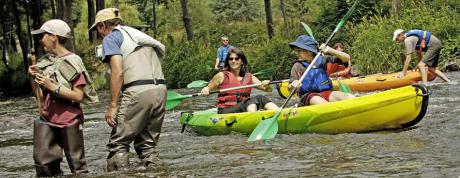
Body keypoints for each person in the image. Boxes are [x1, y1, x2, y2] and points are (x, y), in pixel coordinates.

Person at [89, 8, 166, 171]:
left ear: (103, 25)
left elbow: (117, 71)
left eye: (97, 29)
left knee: (118, 144)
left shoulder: (111, 38)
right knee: (147, 147)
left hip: (137, 91)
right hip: (160, 90)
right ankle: (159, 173)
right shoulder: (139, 36)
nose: (98, 33)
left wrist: (113, 105)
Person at [29, 19, 99, 177]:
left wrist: (53, 86)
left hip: (69, 120)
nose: (41, 40)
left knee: (78, 168)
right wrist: (34, 79)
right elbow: (40, 98)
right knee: (43, 167)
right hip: (46, 119)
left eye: (44, 36)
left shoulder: (73, 61)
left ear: (54, 37)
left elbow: (79, 96)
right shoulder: (45, 63)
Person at [201, 48, 279, 114]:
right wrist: (206, 89)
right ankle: (254, 118)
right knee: (248, 101)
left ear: (242, 61)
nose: (233, 61)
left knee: (261, 97)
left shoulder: (249, 76)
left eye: (236, 58)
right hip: (226, 111)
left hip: (243, 109)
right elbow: (208, 88)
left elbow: (268, 90)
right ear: (228, 61)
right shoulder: (221, 75)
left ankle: (278, 113)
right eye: (231, 59)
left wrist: (266, 85)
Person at [288, 35, 354, 106]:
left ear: (310, 52)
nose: (296, 53)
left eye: (299, 50)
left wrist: (330, 50)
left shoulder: (323, 60)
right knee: (322, 103)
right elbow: (290, 89)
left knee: (349, 97)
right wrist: (292, 85)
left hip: (327, 92)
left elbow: (347, 58)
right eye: (295, 50)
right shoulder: (297, 66)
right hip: (308, 96)